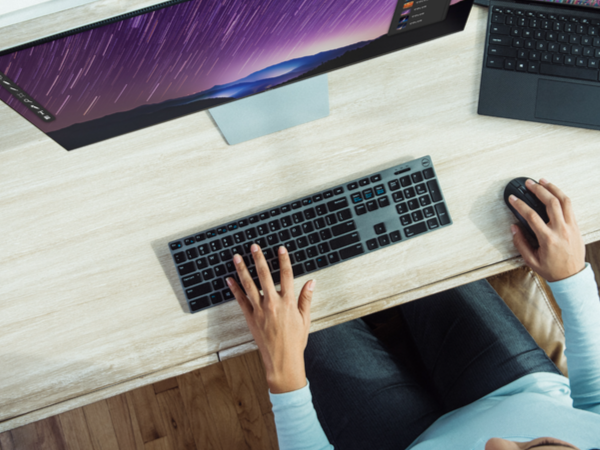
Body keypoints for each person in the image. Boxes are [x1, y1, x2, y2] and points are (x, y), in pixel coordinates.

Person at [225, 179, 600, 450]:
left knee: (286, 283)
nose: (495, 444)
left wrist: (284, 374)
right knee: (414, 228)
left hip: (400, 442)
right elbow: (594, 408)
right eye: (541, 447)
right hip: (515, 389)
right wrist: (572, 278)